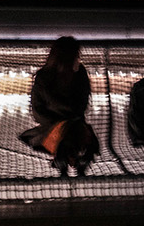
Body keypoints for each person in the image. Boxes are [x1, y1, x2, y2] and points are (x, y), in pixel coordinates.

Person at [18, 36, 99, 176]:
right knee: (71, 134)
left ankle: (66, 159)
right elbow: (38, 110)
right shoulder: (45, 77)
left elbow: (82, 103)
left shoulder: (79, 73)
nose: (78, 57)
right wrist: (59, 122)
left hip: (73, 123)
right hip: (53, 126)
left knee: (75, 133)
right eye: (76, 54)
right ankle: (73, 160)